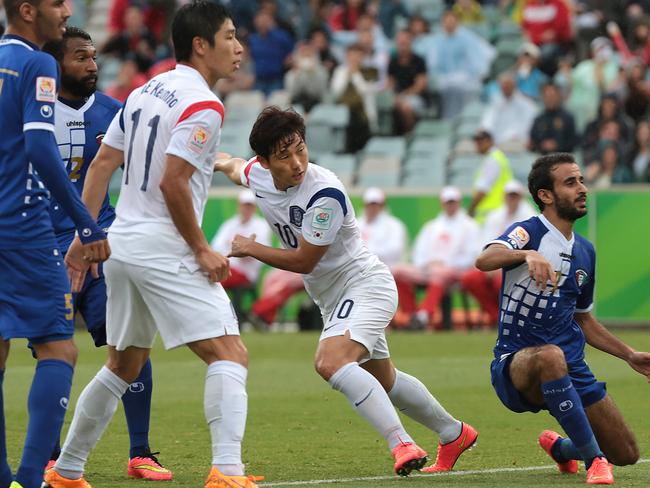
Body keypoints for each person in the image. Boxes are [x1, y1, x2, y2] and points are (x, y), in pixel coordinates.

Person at [43, 3, 261, 488]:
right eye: (229, 36)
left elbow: (101, 165)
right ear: (201, 45)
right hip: (164, 246)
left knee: (122, 364)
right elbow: (173, 184)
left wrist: (86, 234)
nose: (239, 46)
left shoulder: (143, 92)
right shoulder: (204, 104)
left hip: (122, 243)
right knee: (230, 353)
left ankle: (67, 470)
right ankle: (228, 472)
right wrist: (202, 248)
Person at [215, 106, 478, 477]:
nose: (297, 163)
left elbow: (305, 260)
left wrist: (250, 247)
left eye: (300, 149)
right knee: (385, 380)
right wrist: (211, 160)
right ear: (265, 161)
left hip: (365, 285)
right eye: (284, 156)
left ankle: (401, 443)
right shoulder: (257, 174)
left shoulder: (325, 193)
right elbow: (233, 165)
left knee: (331, 361)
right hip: (333, 298)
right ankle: (454, 433)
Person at [41, 26, 172, 481]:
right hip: (43, 245)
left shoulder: (116, 114)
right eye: (81, 57)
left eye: (94, 57)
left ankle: (141, 453)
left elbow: (146, 175)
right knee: (52, 351)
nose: (93, 65)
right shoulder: (31, 113)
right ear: (56, 64)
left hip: (102, 244)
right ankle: (50, 457)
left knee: (130, 342)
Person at [475, 152, 650, 485]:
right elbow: (485, 259)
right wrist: (526, 254)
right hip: (516, 365)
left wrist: (629, 354)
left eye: (581, 180)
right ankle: (595, 460)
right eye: (571, 182)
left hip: (571, 365)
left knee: (627, 453)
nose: (582, 188)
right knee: (551, 356)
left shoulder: (586, 251)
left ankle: (563, 450)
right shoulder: (529, 232)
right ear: (546, 195)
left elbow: (584, 320)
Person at [0, 1, 110, 487]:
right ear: (27, 10)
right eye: (56, 4)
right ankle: (31, 477)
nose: (66, 11)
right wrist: (85, 223)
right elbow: (41, 147)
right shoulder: (37, 61)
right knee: (59, 349)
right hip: (23, 225)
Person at [392, 187, 481, 330]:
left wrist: (446, 264)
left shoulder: (469, 226)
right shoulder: (432, 226)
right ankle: (412, 316)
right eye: (448, 202)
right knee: (397, 271)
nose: (450, 205)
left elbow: (472, 255)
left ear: (458, 203)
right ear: (442, 203)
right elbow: (418, 252)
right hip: (430, 269)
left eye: (453, 202)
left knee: (439, 275)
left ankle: (423, 316)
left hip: (457, 271)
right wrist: (427, 264)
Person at [461, 180, 536, 327]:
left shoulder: (530, 217)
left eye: (514, 196)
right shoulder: (495, 216)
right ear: (504, 197)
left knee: (501, 283)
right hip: (495, 264)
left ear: (520, 197)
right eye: (509, 196)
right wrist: (489, 263)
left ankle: (506, 317)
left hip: (517, 266)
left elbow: (528, 248)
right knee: (470, 279)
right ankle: (497, 316)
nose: (512, 199)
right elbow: (482, 242)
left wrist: (498, 264)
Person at [210, 189, 271, 322]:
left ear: (254, 208)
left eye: (249, 206)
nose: (246, 209)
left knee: (214, 279)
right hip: (228, 268)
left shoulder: (261, 226)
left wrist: (236, 247)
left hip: (246, 273)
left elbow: (259, 253)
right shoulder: (230, 224)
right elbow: (216, 246)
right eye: (245, 205)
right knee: (212, 275)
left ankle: (219, 317)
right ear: (239, 205)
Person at [467, 130, 513, 223]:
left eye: (481, 141)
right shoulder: (497, 157)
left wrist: (470, 210)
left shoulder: (492, 160)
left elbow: (483, 189)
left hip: (490, 214)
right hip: (497, 212)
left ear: (490, 141)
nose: (478, 144)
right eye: (476, 141)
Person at [357, 187, 407, 268]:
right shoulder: (357, 224)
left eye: (375, 205)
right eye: (369, 204)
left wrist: (366, 254)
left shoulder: (394, 225)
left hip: (386, 269)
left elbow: (395, 250)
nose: (372, 208)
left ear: (382, 205)